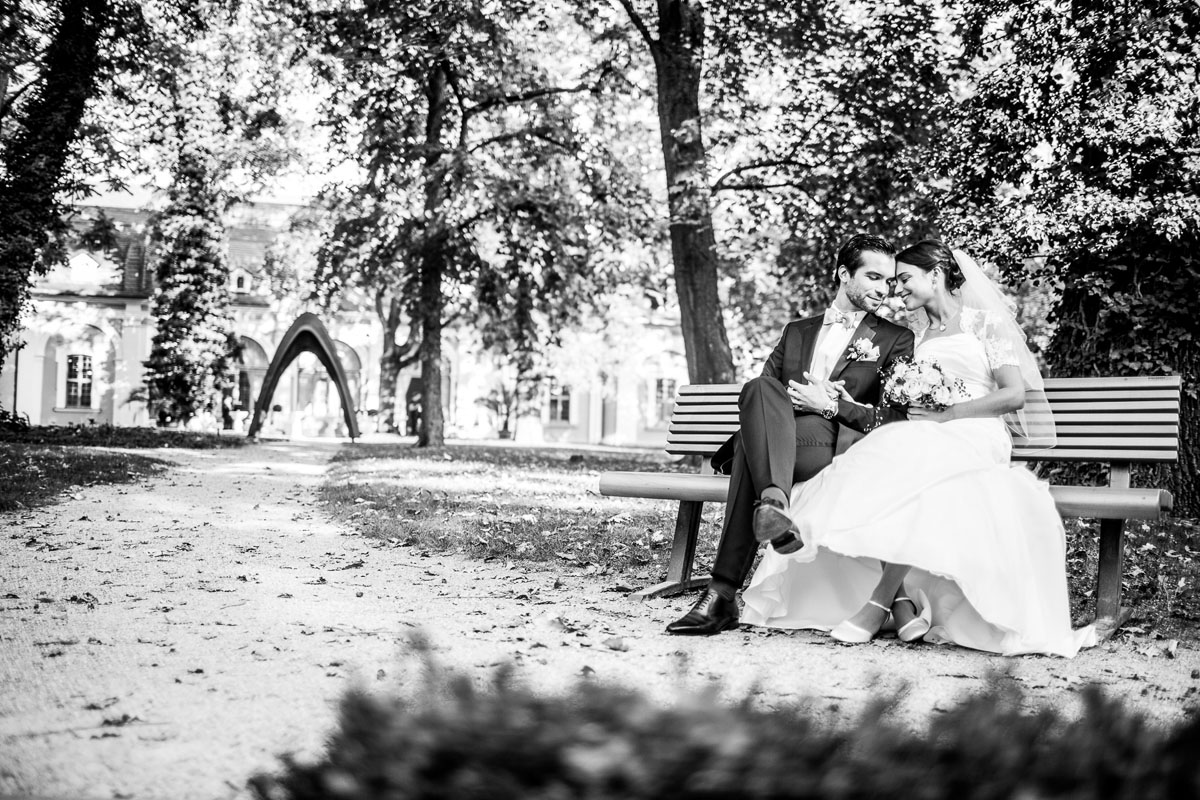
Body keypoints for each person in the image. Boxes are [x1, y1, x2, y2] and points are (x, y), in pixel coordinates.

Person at [740, 240, 1096, 657]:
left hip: (975, 431)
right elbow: (893, 406)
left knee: (918, 465)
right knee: (872, 463)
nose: (897, 290)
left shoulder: (985, 324)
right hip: (924, 432)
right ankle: (903, 601)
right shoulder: (916, 337)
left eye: (904, 279)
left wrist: (949, 416)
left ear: (936, 275)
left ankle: (879, 602)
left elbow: (1014, 395)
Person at [665, 234, 916, 635]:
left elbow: (894, 418)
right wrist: (790, 404)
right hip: (782, 443)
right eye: (872, 277)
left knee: (752, 445)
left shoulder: (895, 338)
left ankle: (722, 593)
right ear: (842, 274)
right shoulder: (796, 331)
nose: (882, 289)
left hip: (835, 443)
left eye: (888, 281)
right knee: (758, 389)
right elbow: (765, 394)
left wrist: (829, 405)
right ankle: (773, 506)